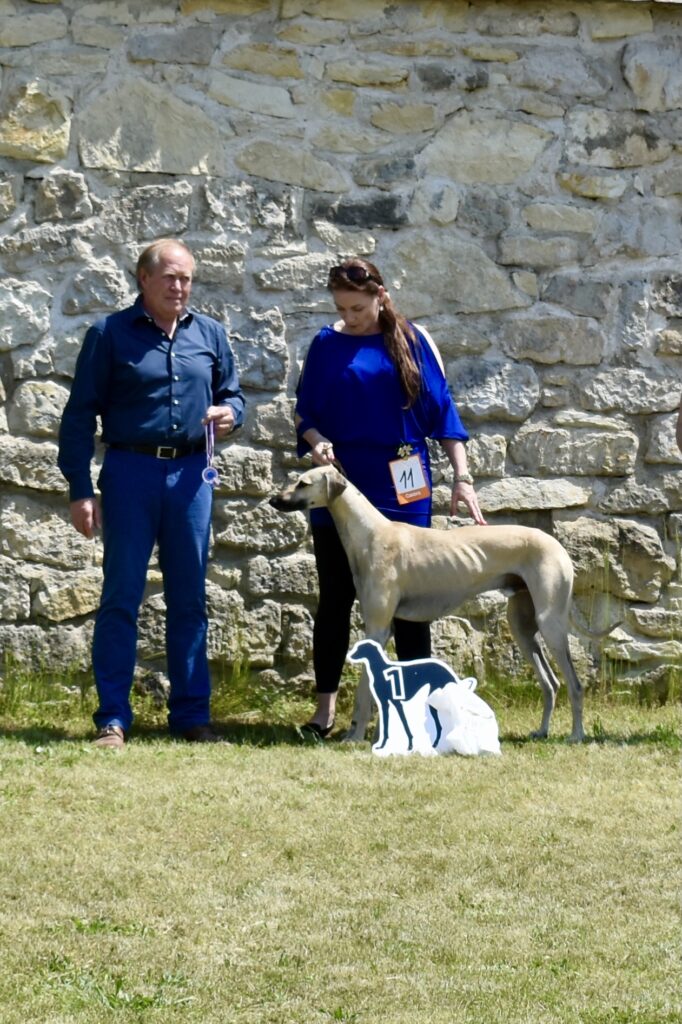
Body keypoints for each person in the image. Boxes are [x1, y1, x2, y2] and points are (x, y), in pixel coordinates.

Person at [58, 238, 245, 748]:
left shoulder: (209, 333)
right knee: (121, 597)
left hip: (191, 478)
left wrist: (232, 414)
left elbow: (233, 394)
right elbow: (78, 417)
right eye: (170, 277)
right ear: (144, 278)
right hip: (129, 473)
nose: (180, 287)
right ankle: (113, 719)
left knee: (190, 600)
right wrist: (79, 488)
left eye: (186, 278)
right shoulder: (109, 334)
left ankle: (191, 717)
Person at [294, 257, 486, 738]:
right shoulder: (325, 343)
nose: (349, 316)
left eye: (357, 307)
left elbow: (444, 414)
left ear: (380, 295)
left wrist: (462, 477)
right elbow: (304, 413)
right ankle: (325, 712)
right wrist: (316, 440)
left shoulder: (413, 341)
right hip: (340, 486)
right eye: (342, 307)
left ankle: (416, 716)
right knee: (336, 596)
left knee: (408, 603)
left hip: (404, 483)